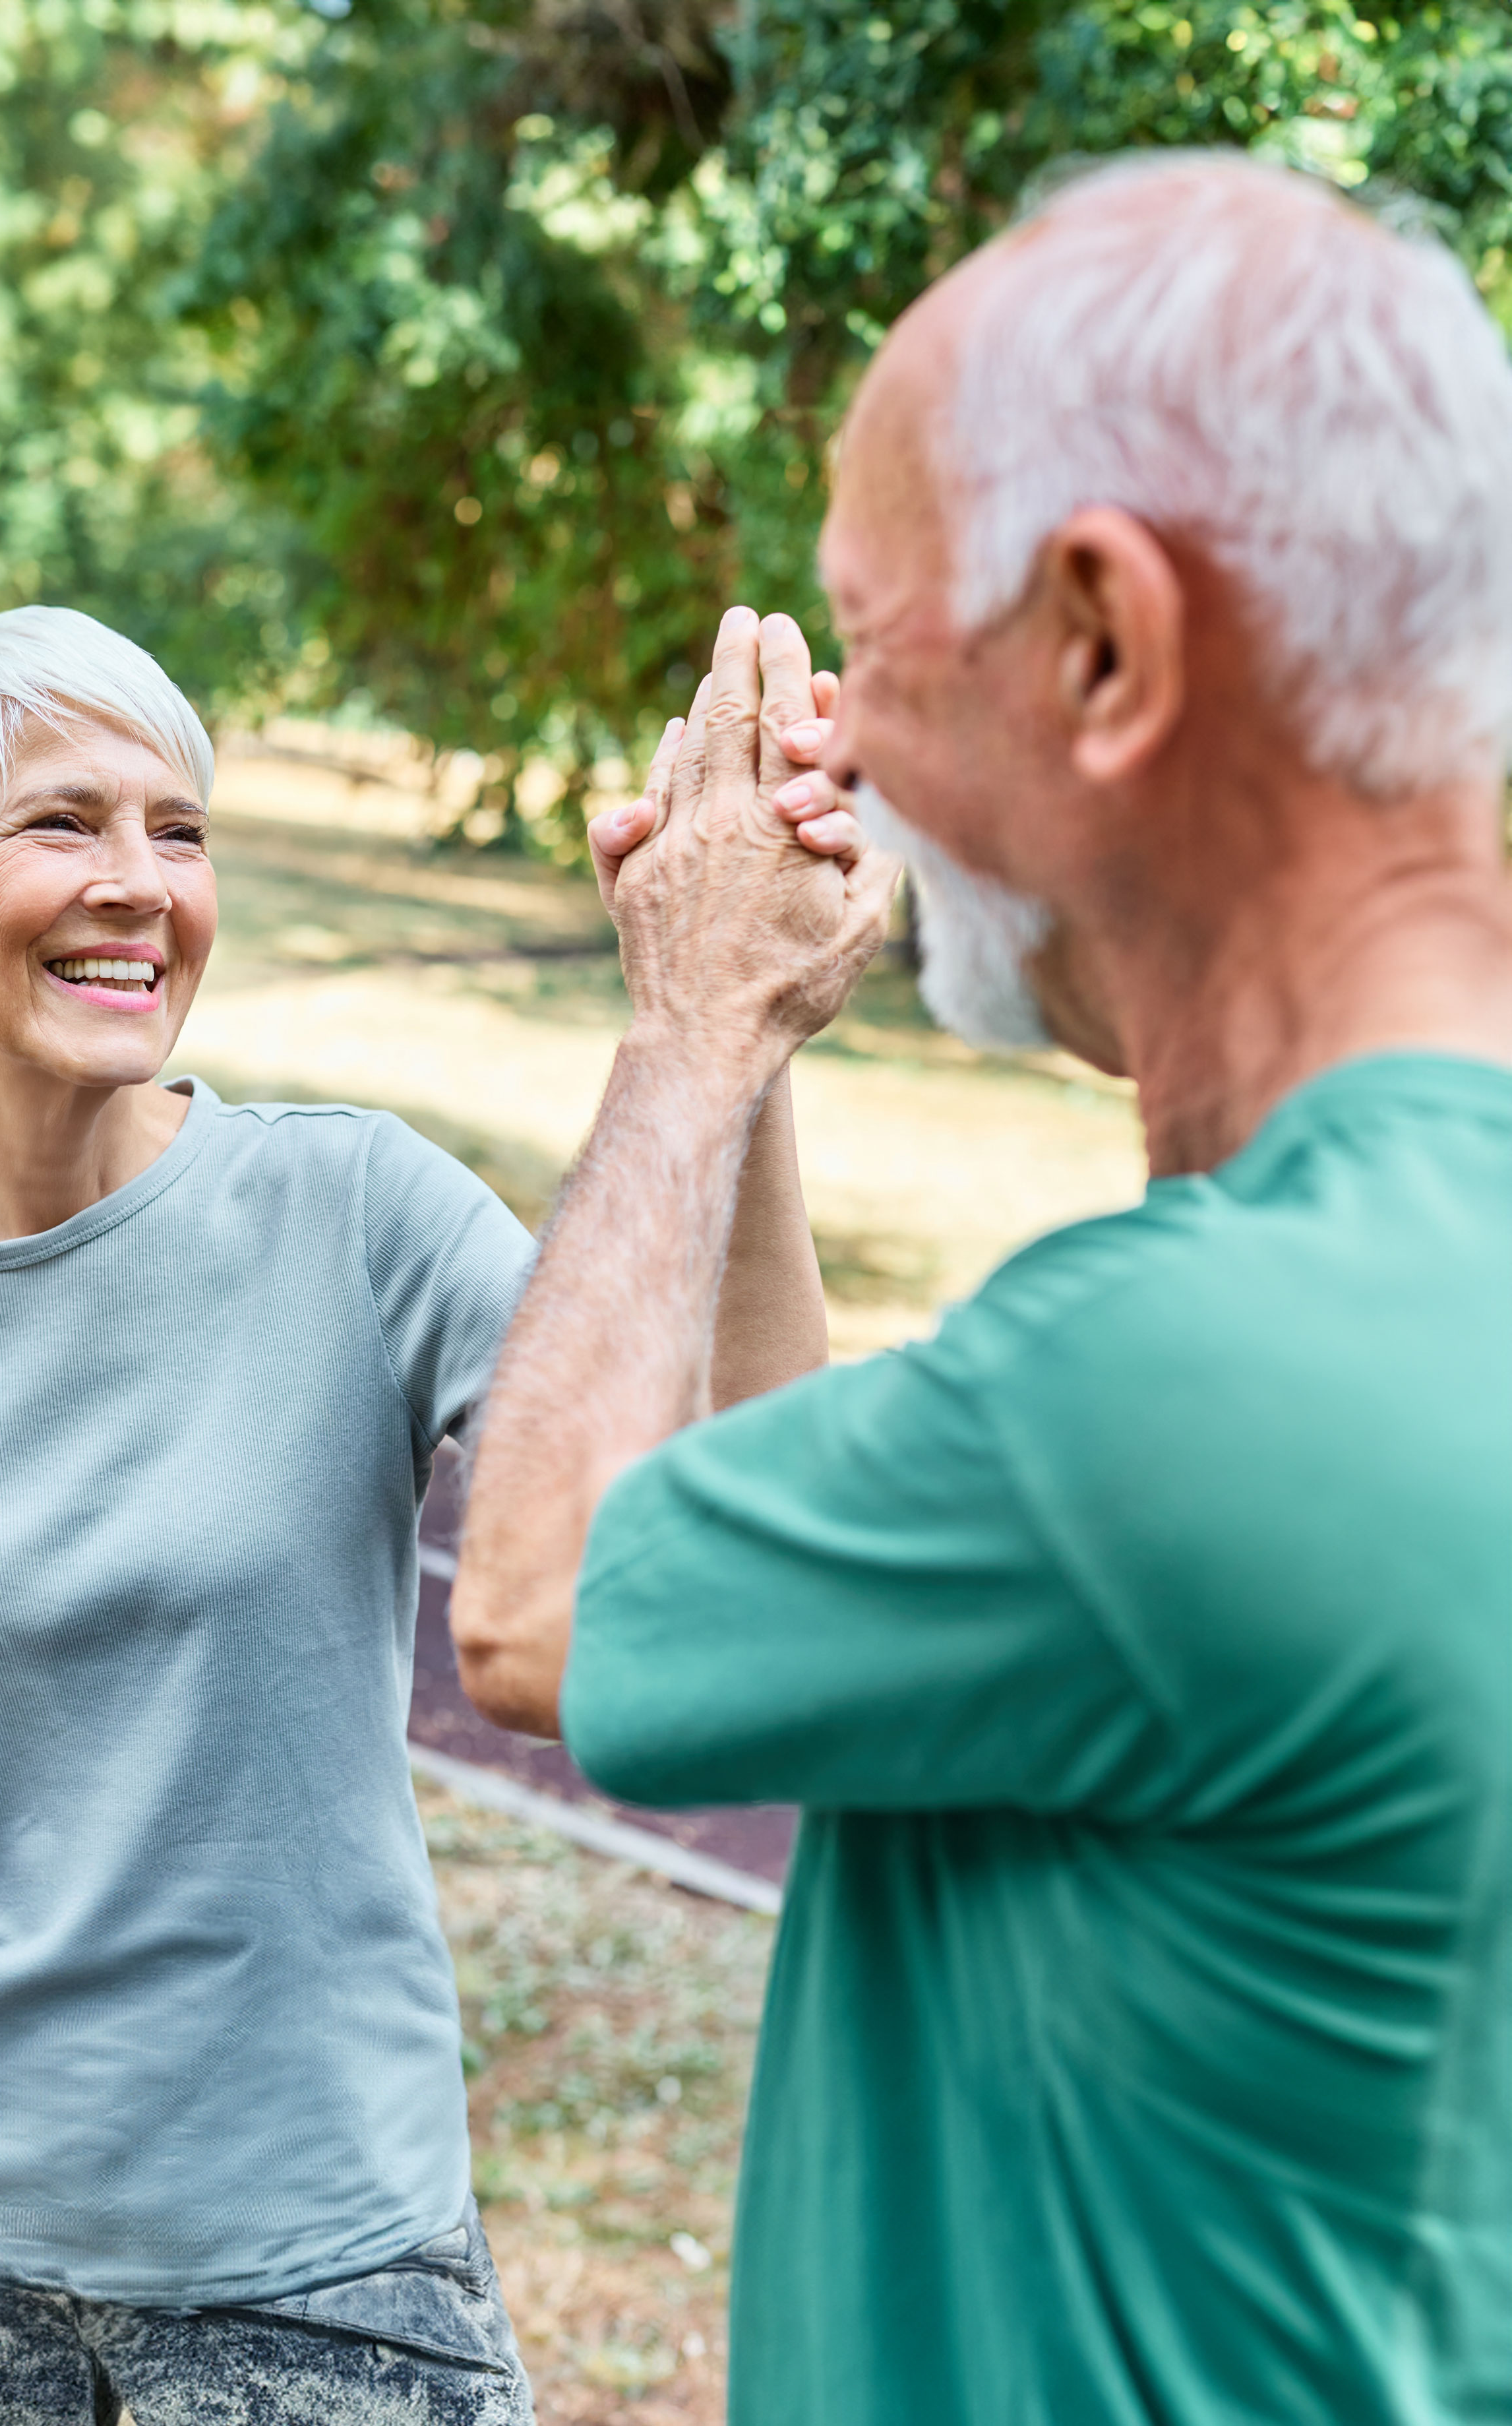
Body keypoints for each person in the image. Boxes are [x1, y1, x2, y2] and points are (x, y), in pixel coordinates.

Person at [451, 154, 1512, 2424]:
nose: (840, 731)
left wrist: (689, 1030)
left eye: (878, 634)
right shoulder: (1383, 1289)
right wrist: (757, 1061)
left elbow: (542, 1605)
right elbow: (776, 1561)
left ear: (1104, 646)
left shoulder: (1188, 1376)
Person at [0, 604, 837, 2423]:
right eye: (65, 822)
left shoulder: (358, 1214)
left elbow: (731, 1509)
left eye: (181, 830)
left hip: (307, 2240)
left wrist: (733, 1034)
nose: (141, 882)